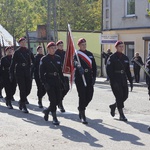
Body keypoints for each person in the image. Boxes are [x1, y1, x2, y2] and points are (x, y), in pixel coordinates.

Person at [106, 40, 133, 121]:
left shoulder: (125, 58)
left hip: (123, 79)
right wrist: (113, 81)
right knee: (119, 96)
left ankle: (114, 106)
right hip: (115, 79)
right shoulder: (112, 57)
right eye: (120, 46)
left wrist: (131, 81)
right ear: (116, 47)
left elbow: (127, 70)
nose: (121, 48)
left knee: (125, 96)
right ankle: (121, 115)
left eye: (122, 46)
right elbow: (109, 70)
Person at [40, 42, 65, 125]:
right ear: (48, 49)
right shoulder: (44, 59)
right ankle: (54, 117)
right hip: (49, 81)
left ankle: (47, 111)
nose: (53, 49)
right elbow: (41, 73)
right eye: (52, 48)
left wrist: (63, 81)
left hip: (56, 80)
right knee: (53, 100)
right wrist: (44, 83)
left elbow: (60, 72)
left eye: (54, 48)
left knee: (58, 99)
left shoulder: (58, 58)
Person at [74, 38, 97, 124]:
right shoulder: (76, 54)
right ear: (79, 45)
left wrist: (94, 77)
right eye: (82, 44)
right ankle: (83, 115)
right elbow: (74, 62)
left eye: (85, 44)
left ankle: (81, 107)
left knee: (89, 95)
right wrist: (78, 66)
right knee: (82, 96)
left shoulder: (90, 54)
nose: (84, 46)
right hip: (80, 78)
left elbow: (94, 66)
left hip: (88, 77)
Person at [9, 37, 34, 113]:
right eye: (22, 42)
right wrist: (11, 74)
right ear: (19, 43)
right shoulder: (17, 52)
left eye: (24, 42)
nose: (23, 43)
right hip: (19, 71)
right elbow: (12, 64)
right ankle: (23, 105)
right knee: (22, 89)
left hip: (27, 71)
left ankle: (21, 101)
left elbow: (34, 61)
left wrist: (33, 69)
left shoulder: (28, 51)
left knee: (28, 89)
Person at [55, 40, 70, 112]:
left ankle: (59, 99)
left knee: (67, 88)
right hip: (58, 74)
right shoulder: (55, 53)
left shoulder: (65, 53)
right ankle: (60, 104)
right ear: (57, 46)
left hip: (65, 73)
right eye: (60, 45)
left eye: (62, 45)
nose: (61, 46)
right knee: (60, 89)